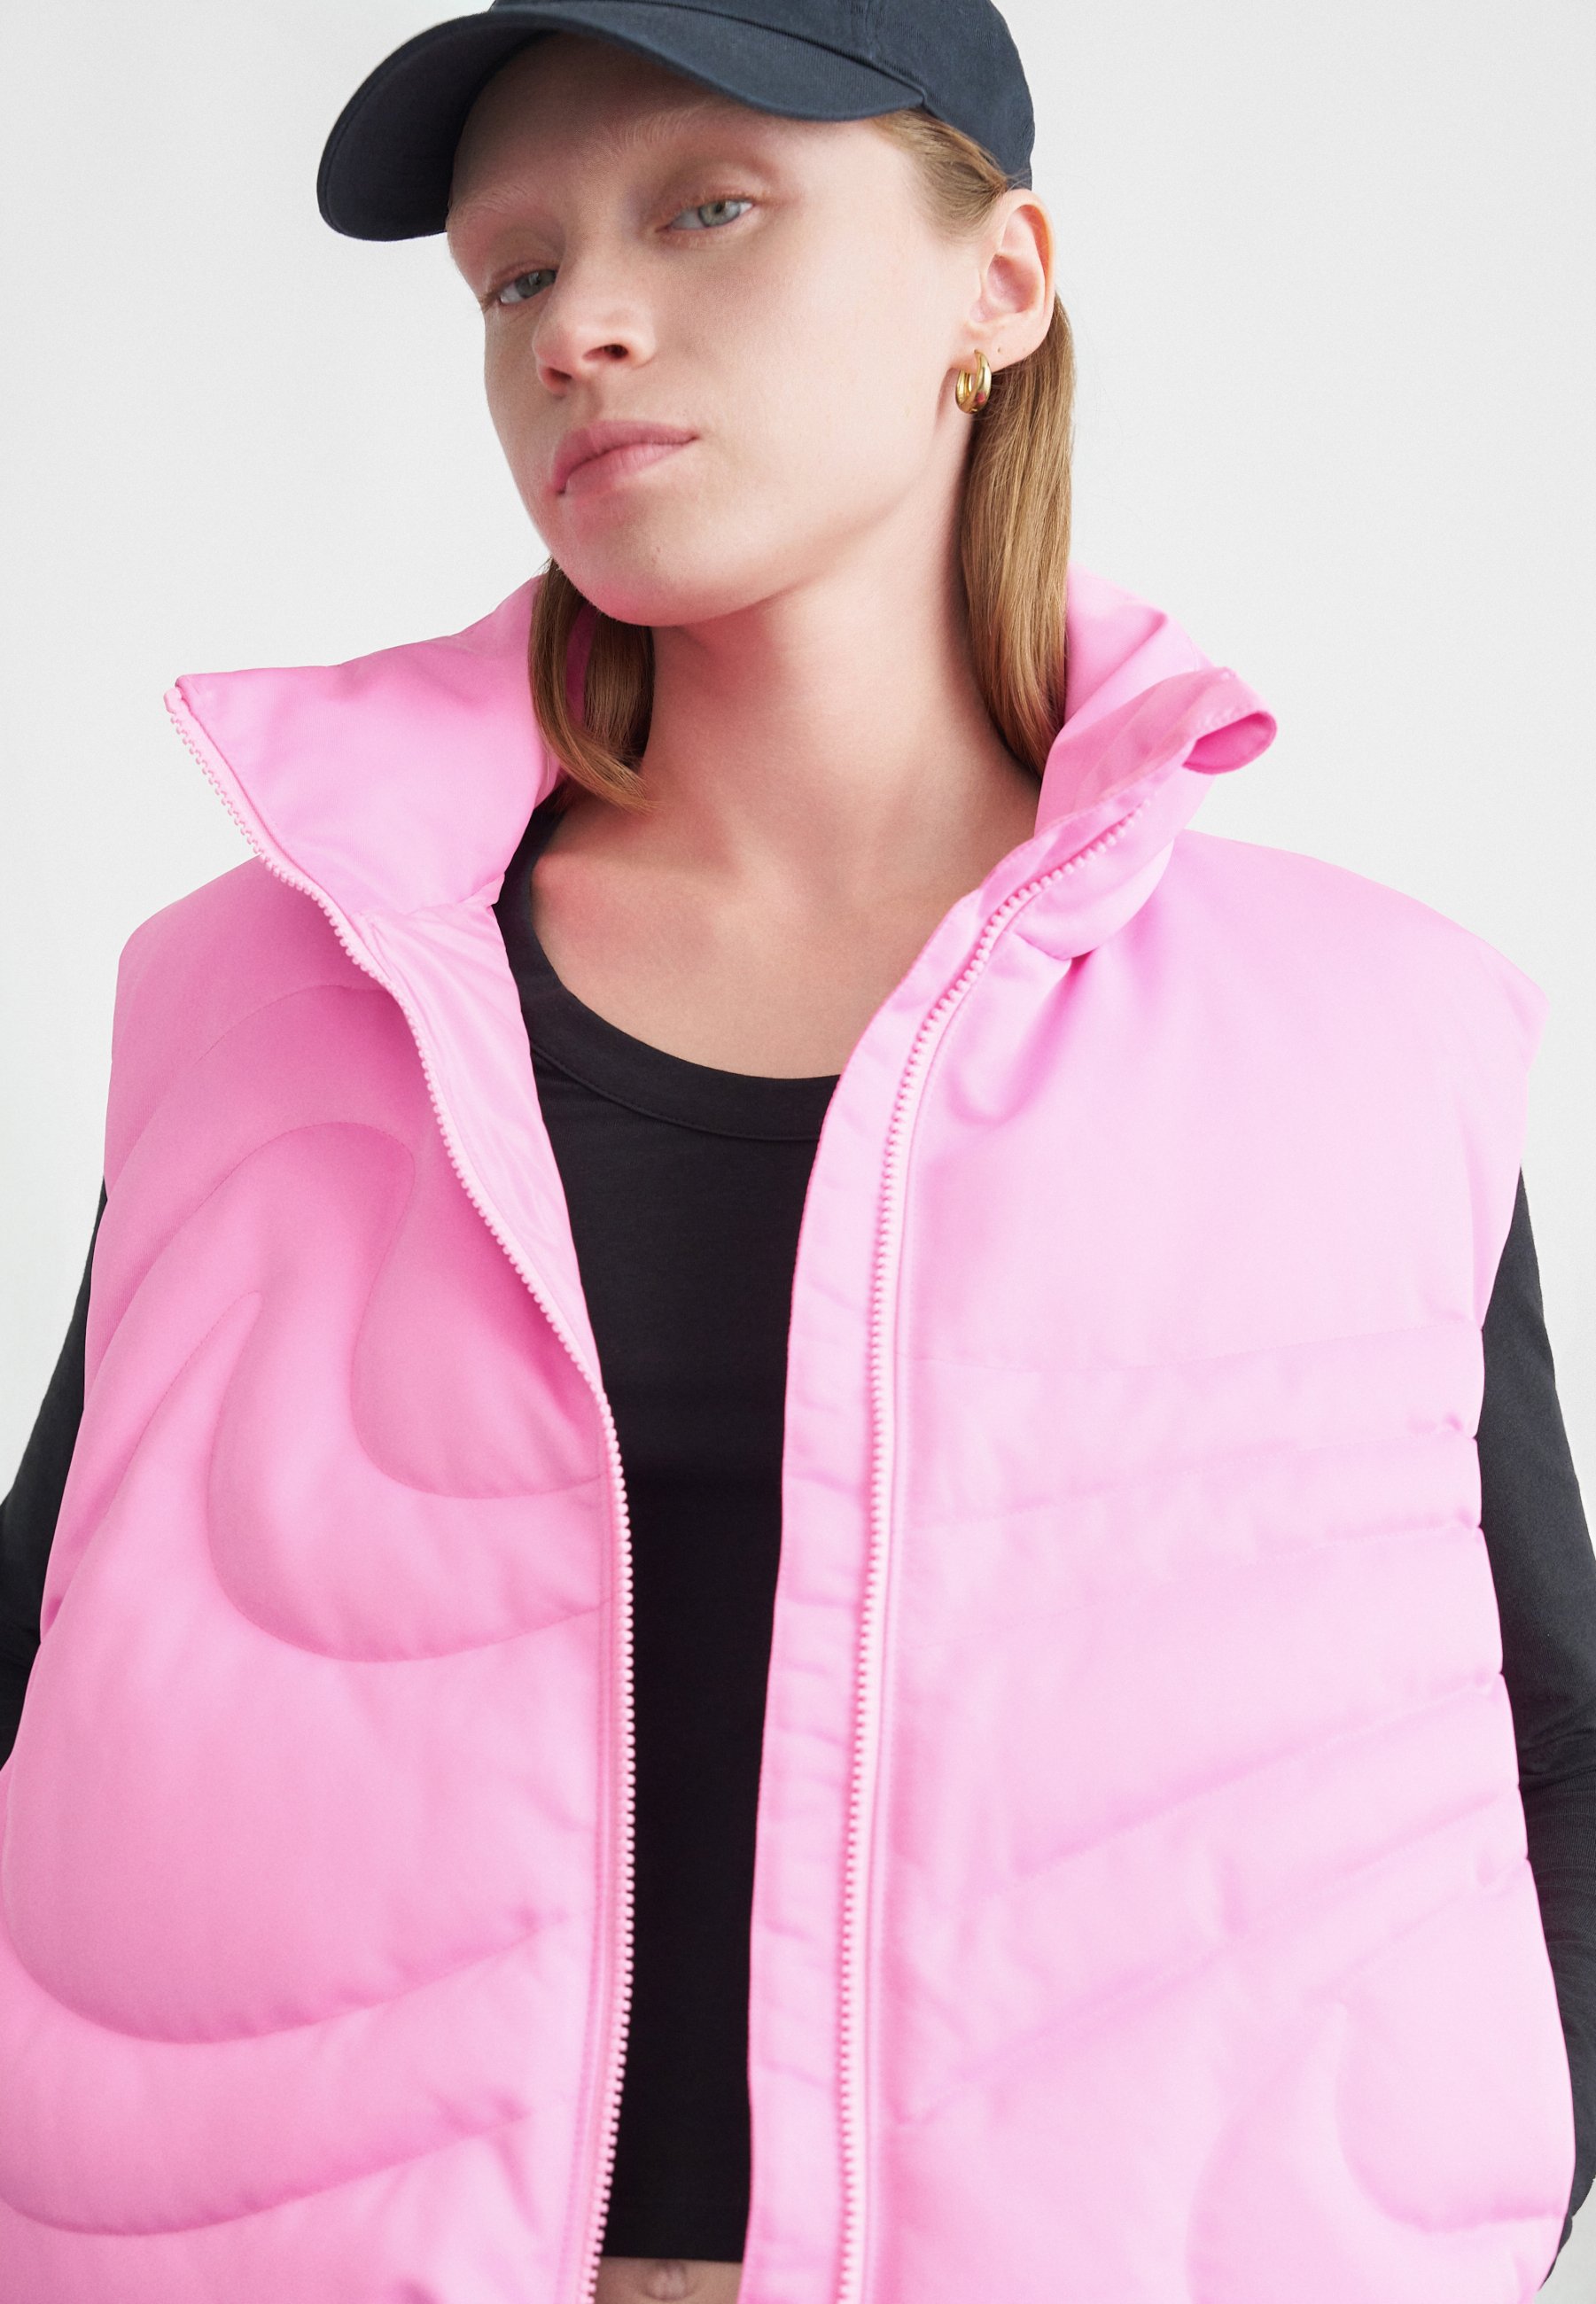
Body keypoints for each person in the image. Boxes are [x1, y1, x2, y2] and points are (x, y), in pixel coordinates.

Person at [1, 4, 1592, 2300]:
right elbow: (55, 1644)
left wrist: (1447, 2218)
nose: (580, 324)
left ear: (999, 283)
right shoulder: (264, 986)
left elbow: (1548, 1731)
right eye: (513, 272)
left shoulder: (1357, 1029)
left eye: (707, 210)